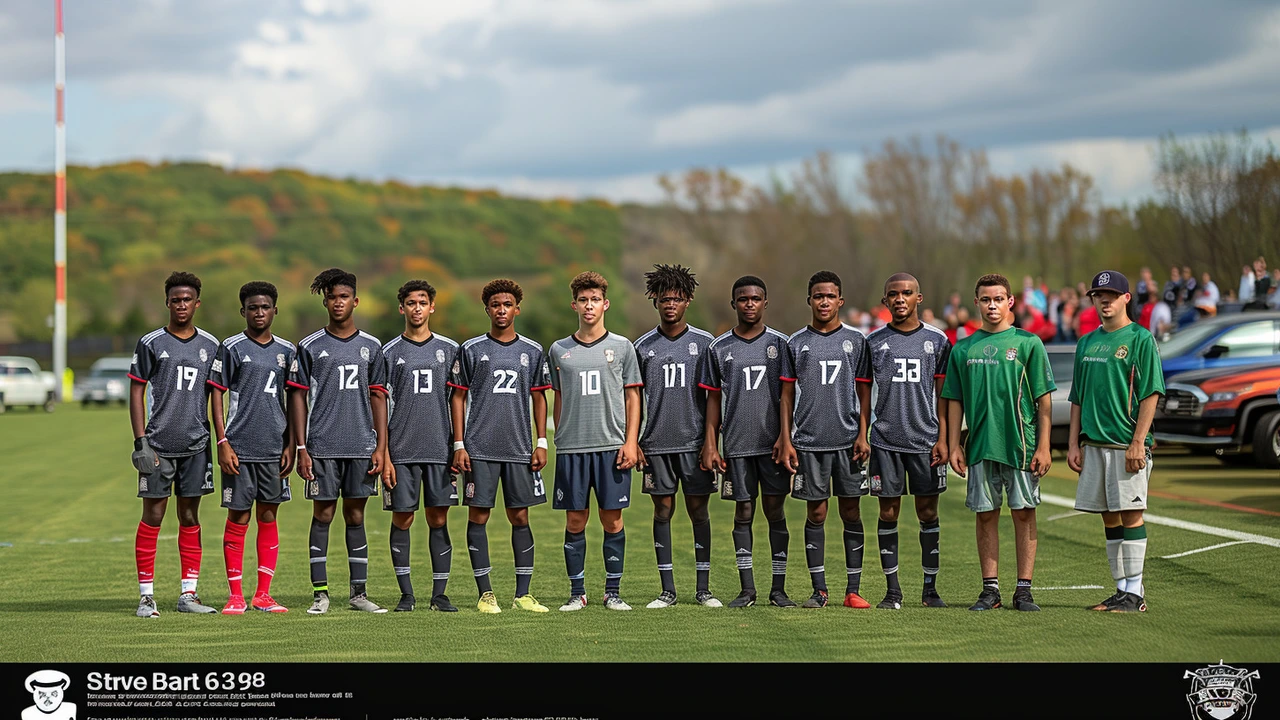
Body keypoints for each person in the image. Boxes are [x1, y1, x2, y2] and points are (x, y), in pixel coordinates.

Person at [943, 273, 1055, 612]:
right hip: (979, 446)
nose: (992, 305)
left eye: (998, 299)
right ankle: (990, 591)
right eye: (985, 299)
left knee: (1023, 514)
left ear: (1011, 302)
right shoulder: (963, 348)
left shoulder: (1028, 343)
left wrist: (1045, 446)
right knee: (986, 516)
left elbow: (1044, 402)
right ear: (976, 303)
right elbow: (953, 401)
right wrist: (953, 445)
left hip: (1021, 445)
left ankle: (1024, 590)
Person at [288, 268, 390, 614]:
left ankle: (359, 594)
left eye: (343, 296)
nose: (337, 302)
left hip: (361, 446)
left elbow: (379, 399)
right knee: (323, 514)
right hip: (322, 447)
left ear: (355, 301)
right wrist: (302, 447)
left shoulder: (372, 347)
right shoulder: (309, 346)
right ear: (325, 301)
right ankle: (321, 594)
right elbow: (298, 399)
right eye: (331, 297)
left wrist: (380, 447)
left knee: (356, 515)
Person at [447, 279, 552, 614]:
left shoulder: (533, 351)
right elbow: (458, 397)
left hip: (520, 449)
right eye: (495, 305)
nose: (501, 310)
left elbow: (539, 397)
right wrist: (459, 444)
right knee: (479, 515)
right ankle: (485, 594)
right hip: (480, 448)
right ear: (487, 309)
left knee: (519, 516)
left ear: (517, 309)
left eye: (507, 305)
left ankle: (523, 594)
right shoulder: (472, 349)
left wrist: (541, 441)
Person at [1066, 271, 1164, 614]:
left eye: (1110, 295)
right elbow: (1077, 396)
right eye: (1098, 295)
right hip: (1093, 445)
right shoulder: (1086, 342)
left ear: (1126, 298)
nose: (1104, 301)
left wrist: (1138, 441)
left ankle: (1135, 594)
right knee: (1108, 517)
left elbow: (1151, 392)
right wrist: (1074, 442)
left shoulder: (1140, 339)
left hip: (1126, 446)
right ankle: (1121, 590)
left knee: (1131, 515)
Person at [548, 271, 644, 612]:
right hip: (573, 449)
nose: (589, 306)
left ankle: (612, 592)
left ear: (606, 304)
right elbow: (558, 397)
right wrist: (561, 434)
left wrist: (630, 441)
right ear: (574, 305)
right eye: (583, 300)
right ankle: (577, 593)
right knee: (575, 521)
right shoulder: (559, 350)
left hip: (611, 447)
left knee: (612, 521)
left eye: (595, 300)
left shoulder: (622, 347)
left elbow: (633, 398)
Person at [699, 276, 797, 608]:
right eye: (743, 299)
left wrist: (786, 438)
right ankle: (747, 589)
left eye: (755, 298)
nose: (749, 304)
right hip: (737, 445)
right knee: (743, 511)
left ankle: (778, 589)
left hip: (771, 445)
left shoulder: (782, 344)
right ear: (734, 304)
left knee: (774, 511)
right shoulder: (718, 347)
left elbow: (787, 395)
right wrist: (711, 443)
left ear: (765, 302)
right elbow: (712, 400)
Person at [128, 271, 220, 618]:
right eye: (175, 300)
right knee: (153, 514)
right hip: (158, 446)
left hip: (196, 445)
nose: (181, 305)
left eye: (187, 300)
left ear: (197, 303)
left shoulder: (211, 345)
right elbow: (136, 390)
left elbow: (216, 395)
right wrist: (141, 442)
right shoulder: (151, 342)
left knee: (189, 515)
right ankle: (146, 597)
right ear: (167, 303)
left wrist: (219, 437)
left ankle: (188, 594)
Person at [781, 271, 872, 609]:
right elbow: (787, 393)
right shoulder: (796, 342)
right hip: (809, 442)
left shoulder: (856, 341)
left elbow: (864, 391)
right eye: (818, 296)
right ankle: (819, 590)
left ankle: (853, 590)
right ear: (809, 300)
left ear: (840, 301)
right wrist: (788, 438)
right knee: (816, 513)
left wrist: (863, 433)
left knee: (851, 511)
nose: (824, 302)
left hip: (848, 441)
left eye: (830, 296)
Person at [633, 264, 722, 608]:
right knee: (663, 510)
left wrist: (710, 443)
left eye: (678, 299)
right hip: (656, 444)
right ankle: (667, 590)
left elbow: (714, 397)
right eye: (665, 299)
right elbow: (634, 399)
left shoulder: (705, 344)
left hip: (695, 444)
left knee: (698, 511)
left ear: (689, 301)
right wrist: (636, 440)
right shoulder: (642, 347)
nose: (671, 304)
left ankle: (703, 589)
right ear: (655, 301)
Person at [208, 281, 295, 614]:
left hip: (275, 449)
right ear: (242, 311)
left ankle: (263, 594)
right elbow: (217, 393)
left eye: (265, 307)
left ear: (275, 310)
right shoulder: (231, 348)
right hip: (240, 449)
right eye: (253, 307)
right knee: (239, 516)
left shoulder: (288, 351)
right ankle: (235, 595)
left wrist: (292, 444)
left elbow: (295, 401)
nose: (259, 313)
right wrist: (222, 440)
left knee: (269, 514)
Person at [867, 273, 952, 610]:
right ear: (885, 301)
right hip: (885, 441)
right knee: (888, 511)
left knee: (927, 511)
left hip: (925, 441)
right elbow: (861, 393)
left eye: (906, 293)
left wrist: (944, 438)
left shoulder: (938, 340)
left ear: (920, 297)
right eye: (893, 294)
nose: (900, 299)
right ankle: (893, 591)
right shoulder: (872, 342)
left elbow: (944, 395)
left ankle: (930, 589)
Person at [379, 280, 462, 613]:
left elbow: (458, 399)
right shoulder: (388, 353)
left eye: (422, 302)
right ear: (402, 308)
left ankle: (439, 595)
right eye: (410, 303)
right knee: (403, 519)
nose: (416, 308)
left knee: (438, 519)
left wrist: (458, 445)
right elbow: (380, 404)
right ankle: (407, 594)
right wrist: (384, 454)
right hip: (401, 452)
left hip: (440, 450)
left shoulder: (450, 349)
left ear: (432, 307)